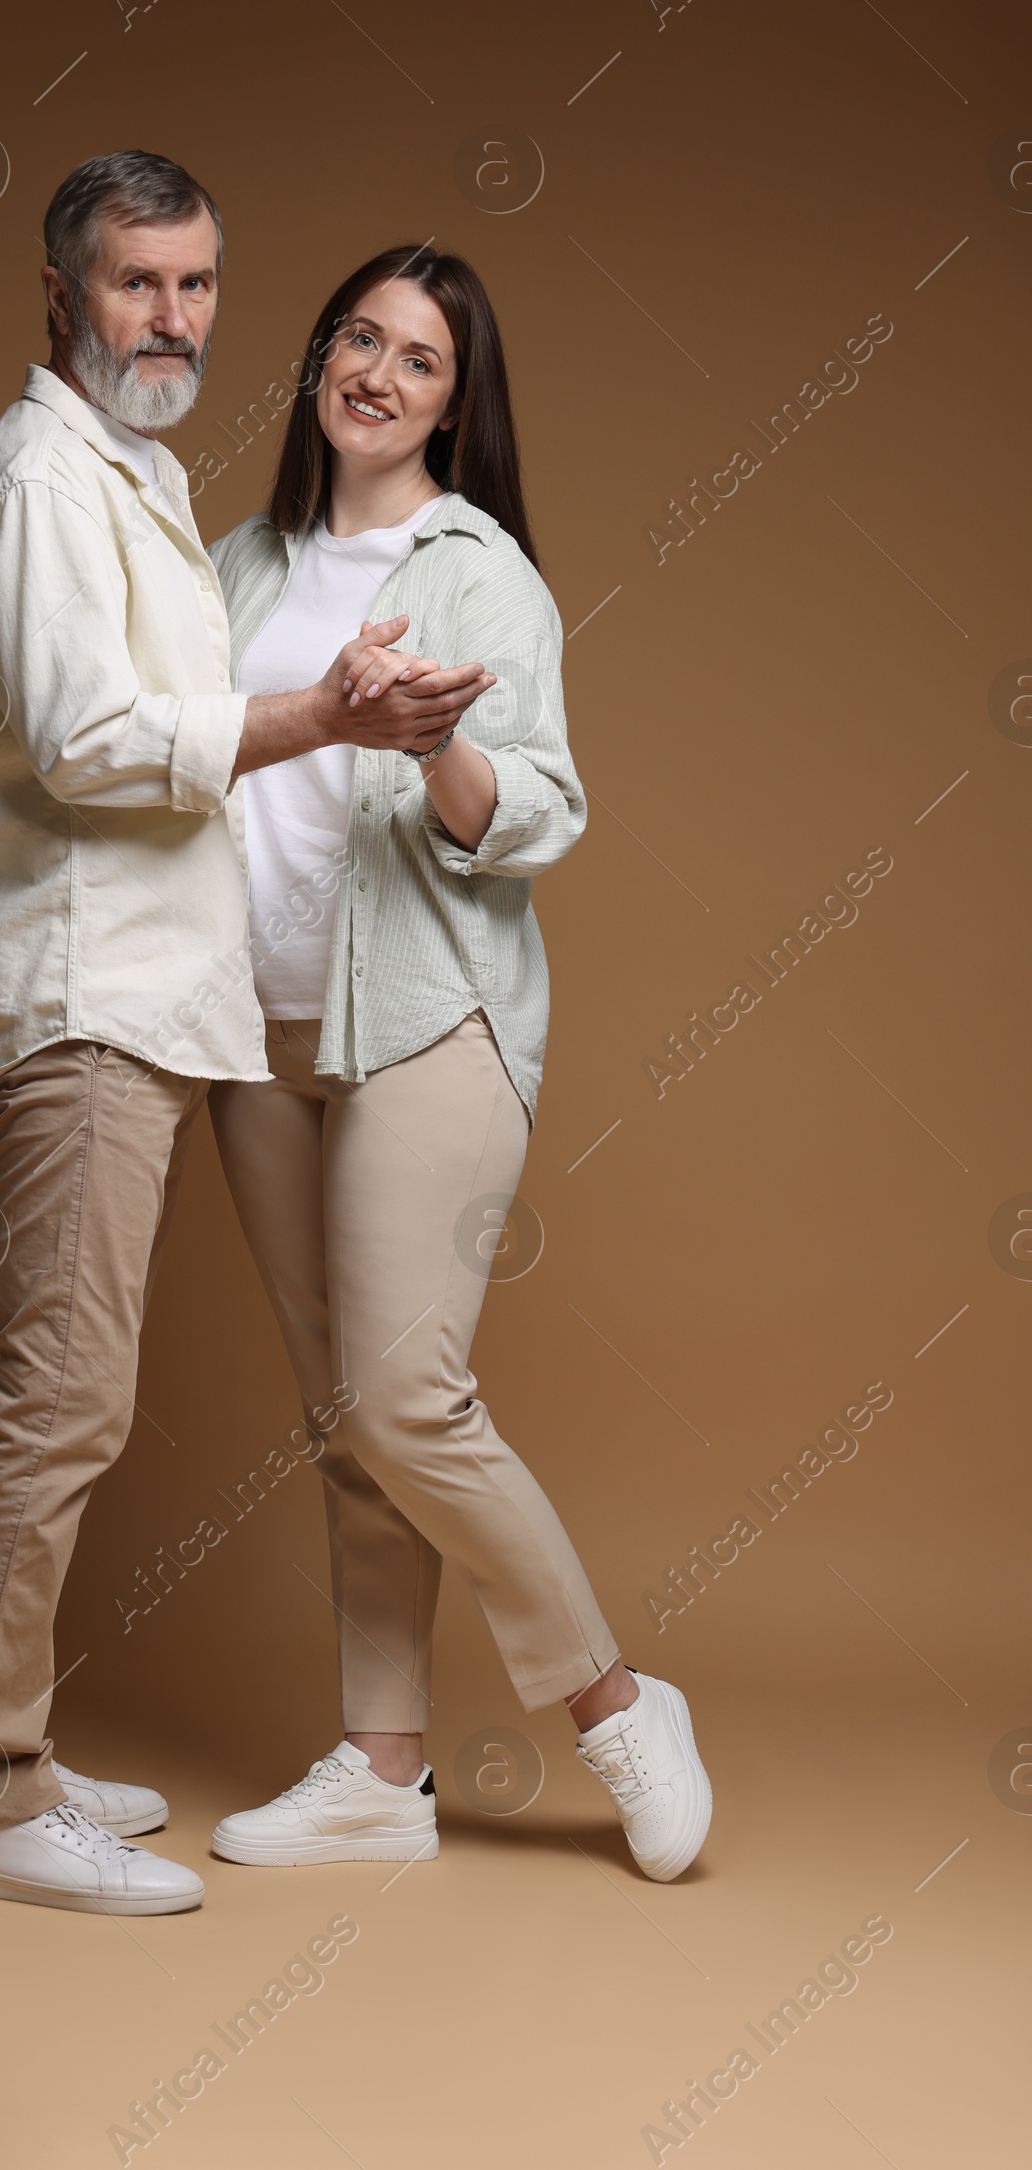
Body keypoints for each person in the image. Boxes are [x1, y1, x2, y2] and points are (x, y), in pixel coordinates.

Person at [0, 162, 494, 1914]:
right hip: (84, 992)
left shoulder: (133, 477)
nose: (175, 318)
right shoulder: (34, 483)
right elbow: (89, 744)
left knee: (38, 1394)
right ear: (61, 291)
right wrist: (326, 714)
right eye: (138, 284)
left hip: (152, 993)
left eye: (200, 284)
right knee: (63, 1400)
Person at [205, 246, 712, 1883]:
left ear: (453, 402)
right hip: (253, 1029)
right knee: (341, 1419)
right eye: (359, 337)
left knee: (407, 1398)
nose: (379, 373)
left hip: (431, 1016)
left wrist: (441, 748)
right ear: (316, 360)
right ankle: (381, 1767)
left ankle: (618, 1703)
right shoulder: (229, 567)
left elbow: (545, 812)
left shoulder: (479, 569)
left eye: (419, 360)